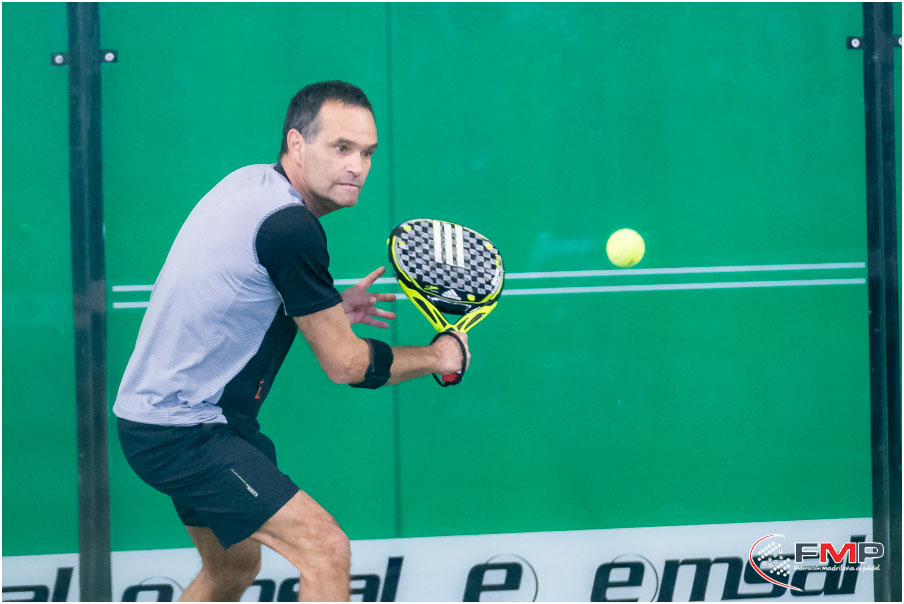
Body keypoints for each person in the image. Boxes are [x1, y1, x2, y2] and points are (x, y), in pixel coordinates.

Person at [113, 81, 469, 602]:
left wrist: (330, 307)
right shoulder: (291, 228)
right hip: (183, 430)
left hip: (165, 420)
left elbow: (239, 289)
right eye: (341, 148)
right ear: (297, 144)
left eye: (367, 153)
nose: (357, 166)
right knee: (325, 549)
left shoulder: (250, 184)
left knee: (232, 569)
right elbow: (346, 365)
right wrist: (440, 355)